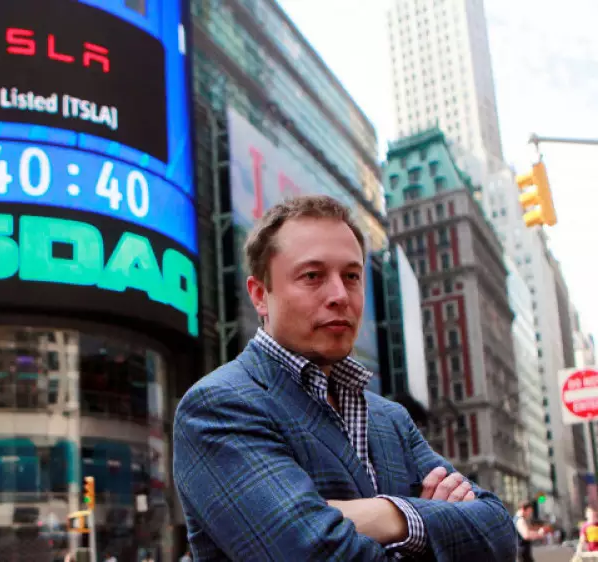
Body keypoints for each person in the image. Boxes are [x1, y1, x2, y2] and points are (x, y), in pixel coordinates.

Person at [173, 195, 518, 560]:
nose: (340, 295)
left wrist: (389, 514)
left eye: (351, 276)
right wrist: (435, 525)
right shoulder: (218, 407)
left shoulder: (392, 419)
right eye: (312, 276)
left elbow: (500, 532)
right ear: (260, 295)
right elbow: (312, 554)